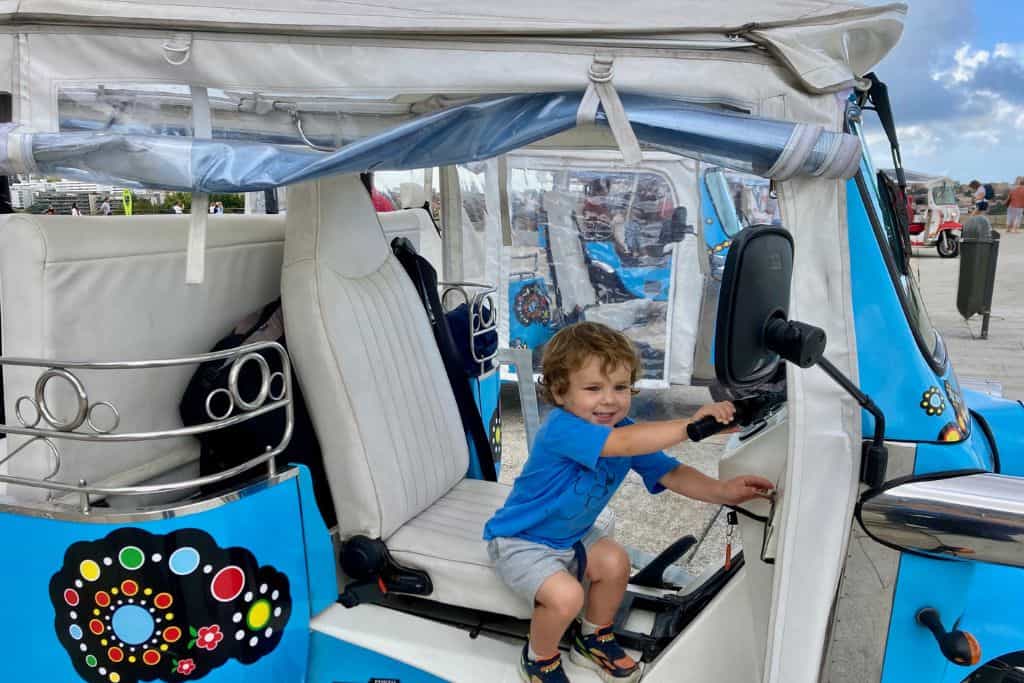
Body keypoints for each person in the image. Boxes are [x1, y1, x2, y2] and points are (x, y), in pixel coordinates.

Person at [483, 322, 774, 683]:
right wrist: (688, 424)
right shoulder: (563, 429)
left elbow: (671, 473)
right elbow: (624, 445)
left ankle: (594, 637)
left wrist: (724, 491)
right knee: (565, 597)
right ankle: (538, 659)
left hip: (572, 538)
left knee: (616, 561)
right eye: (593, 388)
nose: (610, 399)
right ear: (560, 392)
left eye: (620, 387)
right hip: (521, 541)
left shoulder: (625, 431)